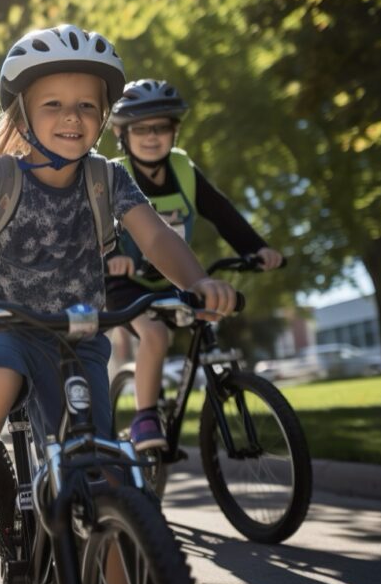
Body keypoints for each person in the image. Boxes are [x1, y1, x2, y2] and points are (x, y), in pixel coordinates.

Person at [0, 24, 237, 552]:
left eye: (87, 106)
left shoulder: (108, 179)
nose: (72, 117)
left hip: (78, 335)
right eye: (53, 103)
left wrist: (198, 282)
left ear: (103, 118)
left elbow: (157, 237)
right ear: (22, 113)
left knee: (103, 477)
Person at [106, 79, 283, 451]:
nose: (152, 137)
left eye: (162, 127)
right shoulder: (112, 174)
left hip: (172, 277)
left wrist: (257, 248)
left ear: (174, 131)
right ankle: (144, 416)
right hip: (124, 283)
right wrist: (110, 259)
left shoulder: (184, 169)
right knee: (155, 335)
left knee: (212, 312)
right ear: (122, 134)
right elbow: (91, 229)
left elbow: (224, 214)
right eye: (141, 129)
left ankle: (216, 389)